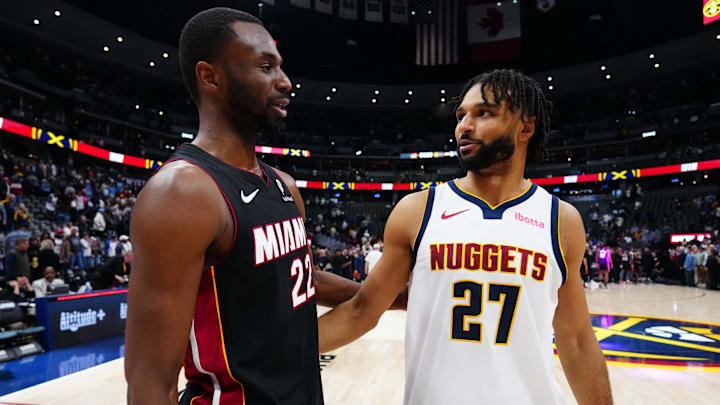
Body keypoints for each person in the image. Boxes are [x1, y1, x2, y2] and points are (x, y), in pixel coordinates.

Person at [124, 8, 386, 405]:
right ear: (210, 77)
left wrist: (397, 294)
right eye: (265, 67)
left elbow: (299, 279)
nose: (285, 82)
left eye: (280, 67)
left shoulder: (283, 186)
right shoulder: (182, 192)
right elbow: (149, 380)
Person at [318, 70, 611, 405]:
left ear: (525, 128)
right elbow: (360, 312)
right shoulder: (418, 210)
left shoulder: (561, 220)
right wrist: (269, 348)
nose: (464, 126)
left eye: (483, 113)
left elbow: (575, 339)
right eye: (461, 116)